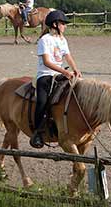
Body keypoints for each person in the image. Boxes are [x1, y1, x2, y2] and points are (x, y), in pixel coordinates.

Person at [30, 10, 82, 149]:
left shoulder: (62, 40)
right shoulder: (44, 40)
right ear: (55, 24)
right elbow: (47, 62)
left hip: (59, 74)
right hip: (45, 75)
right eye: (63, 23)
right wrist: (65, 71)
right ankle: (38, 132)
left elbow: (68, 56)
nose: (64, 26)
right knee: (42, 101)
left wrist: (75, 69)